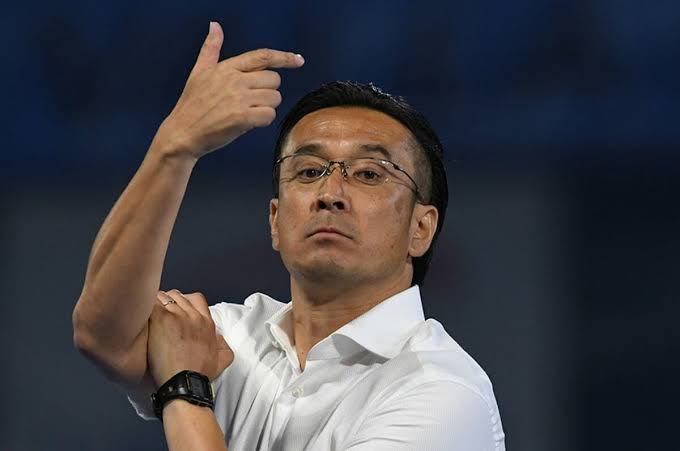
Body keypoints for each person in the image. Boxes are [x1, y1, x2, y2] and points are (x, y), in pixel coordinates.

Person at [72, 21, 506, 451]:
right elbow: (103, 333)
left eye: (369, 174)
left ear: (420, 228)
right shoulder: (230, 339)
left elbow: (173, 373)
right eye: (309, 171)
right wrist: (174, 147)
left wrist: (185, 389)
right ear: (275, 220)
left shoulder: (442, 393)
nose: (330, 194)